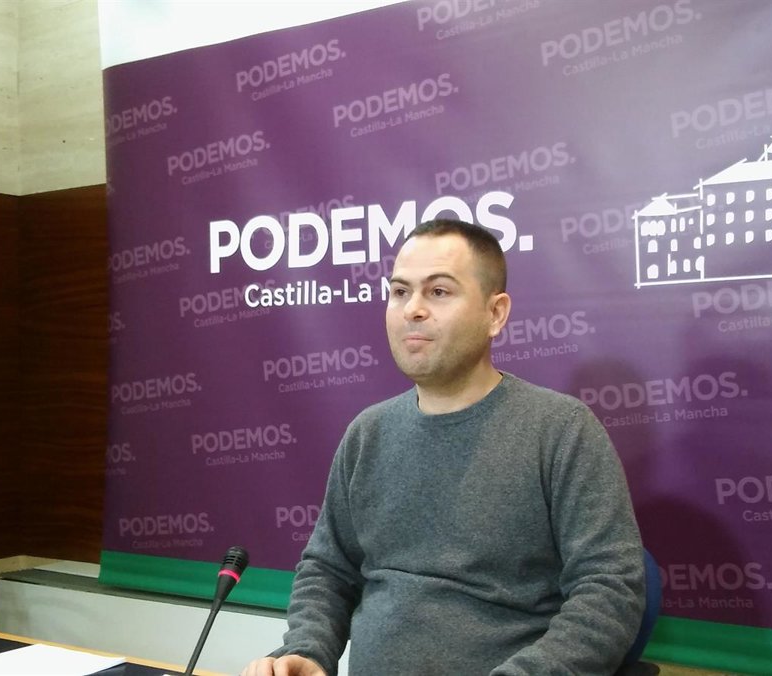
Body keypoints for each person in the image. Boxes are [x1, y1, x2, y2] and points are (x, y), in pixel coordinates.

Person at [242, 219, 645, 676]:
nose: (412, 309)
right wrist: (307, 650)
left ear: (495, 314)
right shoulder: (367, 434)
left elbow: (610, 589)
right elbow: (329, 570)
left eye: (438, 292)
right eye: (399, 292)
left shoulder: (562, 430)